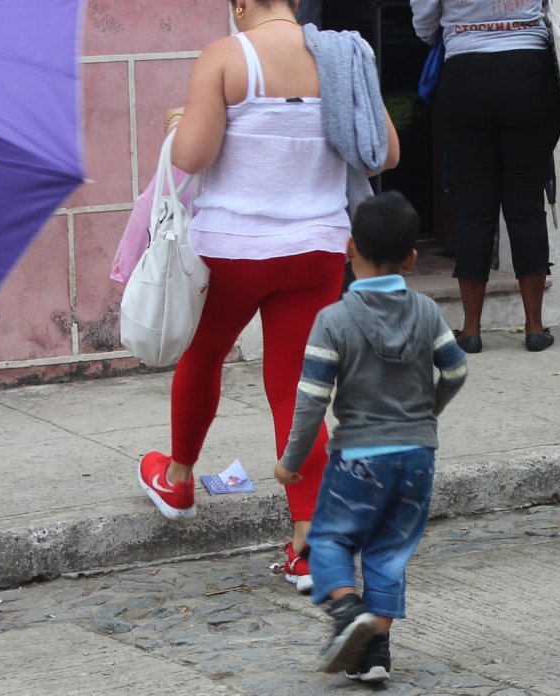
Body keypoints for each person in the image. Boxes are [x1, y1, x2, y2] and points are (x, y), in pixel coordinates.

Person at [136, 0, 400, 595]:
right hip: (316, 248)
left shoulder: (227, 58)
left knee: (203, 356)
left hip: (233, 249)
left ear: (239, 5)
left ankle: (177, 479)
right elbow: (386, 153)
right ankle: (310, 547)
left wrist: (185, 126)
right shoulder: (343, 56)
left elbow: (193, 157)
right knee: (294, 389)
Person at [274, 191, 468, 681]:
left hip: (360, 454)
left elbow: (312, 399)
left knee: (330, 536)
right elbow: (457, 369)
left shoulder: (333, 320)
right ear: (411, 257)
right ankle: (375, 655)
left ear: (348, 247)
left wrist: (291, 460)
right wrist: (429, 411)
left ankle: (346, 612)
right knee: (388, 549)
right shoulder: (425, 310)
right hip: (417, 455)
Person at [411, 0, 560, 353]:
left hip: (466, 75)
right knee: (526, 203)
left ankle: (471, 330)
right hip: (530, 72)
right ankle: (535, 327)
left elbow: (423, 25)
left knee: (473, 209)